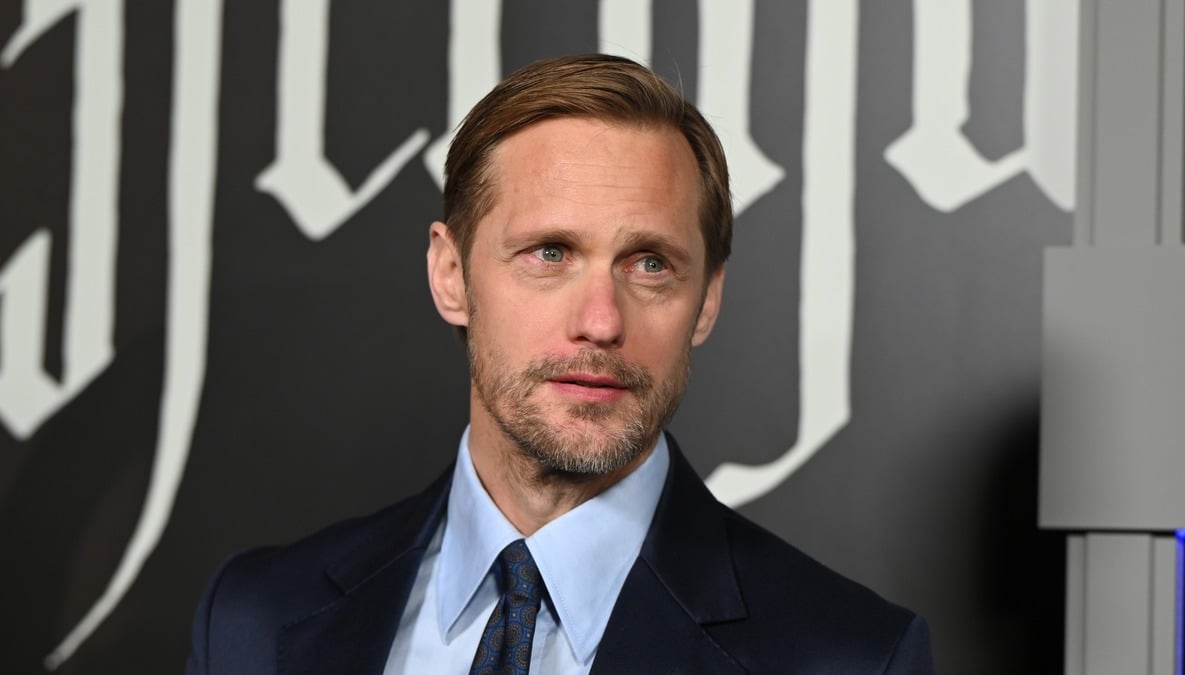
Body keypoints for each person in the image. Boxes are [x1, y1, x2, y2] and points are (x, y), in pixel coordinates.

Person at [186, 53, 934, 674]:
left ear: (706, 301)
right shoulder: (253, 619)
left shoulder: (852, 657)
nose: (601, 322)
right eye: (550, 253)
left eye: (649, 264)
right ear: (451, 275)